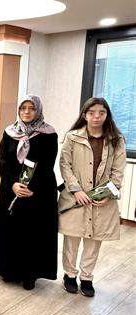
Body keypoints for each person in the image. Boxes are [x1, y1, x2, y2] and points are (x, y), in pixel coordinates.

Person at [59, 97, 126, 297]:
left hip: (101, 200)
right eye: (92, 112)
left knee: (94, 240)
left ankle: (87, 277)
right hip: (75, 197)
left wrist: (108, 195)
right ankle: (70, 275)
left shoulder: (116, 140)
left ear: (107, 115)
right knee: (72, 239)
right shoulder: (72, 137)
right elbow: (65, 165)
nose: (96, 116)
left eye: (101, 112)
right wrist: (76, 190)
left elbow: (118, 172)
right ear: (84, 115)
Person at [0, 95, 58, 290]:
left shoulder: (49, 134)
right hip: (11, 191)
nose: (27, 112)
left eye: (31, 108)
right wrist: (13, 184)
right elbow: (4, 163)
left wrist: (31, 188)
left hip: (37, 193)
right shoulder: (9, 133)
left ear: (38, 110)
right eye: (23, 108)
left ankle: (30, 274)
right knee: (11, 232)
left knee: (32, 234)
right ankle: (8, 270)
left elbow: (47, 165)